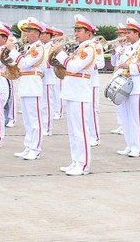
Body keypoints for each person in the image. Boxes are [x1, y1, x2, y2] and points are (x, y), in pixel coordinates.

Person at [53, 14, 98, 176]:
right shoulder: (80, 49)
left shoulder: (89, 49)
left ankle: (84, 164)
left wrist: (60, 53)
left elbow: (73, 67)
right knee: (73, 131)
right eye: (76, 30)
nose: (76, 34)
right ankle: (75, 161)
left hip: (80, 92)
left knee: (81, 131)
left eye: (79, 31)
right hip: (72, 92)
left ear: (88, 33)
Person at [8, 17, 46, 160]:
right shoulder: (30, 48)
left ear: (37, 33)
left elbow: (25, 63)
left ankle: (35, 148)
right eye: (27, 31)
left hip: (33, 85)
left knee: (34, 119)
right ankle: (28, 146)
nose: (27, 34)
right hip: (26, 84)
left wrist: (12, 51)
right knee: (27, 120)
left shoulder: (38, 48)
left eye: (29, 31)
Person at [113, 18, 140, 158]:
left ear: (137, 33)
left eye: (129, 33)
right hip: (124, 85)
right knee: (125, 118)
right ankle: (129, 145)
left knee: (135, 119)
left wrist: (129, 67)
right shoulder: (126, 48)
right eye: (126, 33)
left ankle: (137, 147)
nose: (126, 35)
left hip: (136, 88)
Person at [109, 23, 128, 135]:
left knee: (123, 103)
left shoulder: (127, 47)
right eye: (119, 34)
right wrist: (113, 52)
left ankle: (124, 125)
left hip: (124, 76)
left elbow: (124, 61)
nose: (119, 36)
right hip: (117, 75)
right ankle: (120, 124)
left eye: (121, 34)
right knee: (116, 102)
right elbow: (113, 63)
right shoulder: (119, 47)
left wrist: (118, 48)